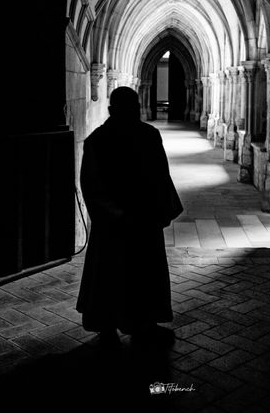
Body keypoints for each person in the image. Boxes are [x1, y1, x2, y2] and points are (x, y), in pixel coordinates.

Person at [76, 86, 183, 348]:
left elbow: (90, 185)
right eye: (131, 108)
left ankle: (107, 324)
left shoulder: (97, 140)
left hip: (115, 224)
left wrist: (112, 214)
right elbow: (161, 178)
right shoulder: (148, 135)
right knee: (144, 273)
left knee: (108, 274)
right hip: (140, 222)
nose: (133, 113)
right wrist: (159, 212)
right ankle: (143, 322)